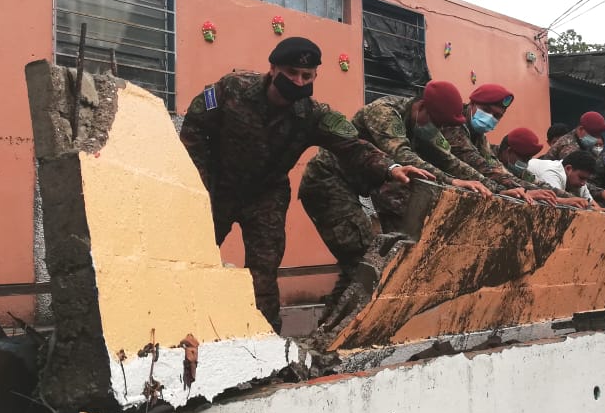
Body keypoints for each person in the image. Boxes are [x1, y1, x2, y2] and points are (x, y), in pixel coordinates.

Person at [179, 36, 432, 332]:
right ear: (273, 69)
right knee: (193, 256)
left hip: (266, 197)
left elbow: (353, 146)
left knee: (264, 273)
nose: (299, 82)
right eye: (291, 73)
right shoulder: (232, 88)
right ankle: (181, 326)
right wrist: (198, 181)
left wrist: (391, 167)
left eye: (307, 76)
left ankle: (266, 340)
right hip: (216, 190)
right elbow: (194, 126)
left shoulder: (313, 115)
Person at [299, 80, 493, 319]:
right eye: (436, 123)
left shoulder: (423, 124)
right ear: (421, 107)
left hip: (355, 189)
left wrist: (498, 188)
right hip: (327, 182)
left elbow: (451, 161)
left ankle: (332, 325)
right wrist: (451, 181)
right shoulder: (384, 112)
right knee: (365, 261)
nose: (437, 130)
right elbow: (401, 154)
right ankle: (337, 328)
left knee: (362, 263)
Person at [441, 84, 559, 204]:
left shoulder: (479, 136)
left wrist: (555, 195)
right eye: (486, 110)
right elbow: (479, 165)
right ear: (472, 104)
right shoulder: (454, 123)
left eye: (497, 116)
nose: (490, 117)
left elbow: (495, 168)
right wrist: (507, 190)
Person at [544, 111, 605, 208]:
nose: (596, 139)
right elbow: (576, 179)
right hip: (550, 186)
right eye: (593, 134)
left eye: (598, 135)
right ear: (580, 129)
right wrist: (602, 193)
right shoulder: (569, 147)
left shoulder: (582, 144)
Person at [496, 127, 592, 209]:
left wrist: (573, 198)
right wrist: (561, 200)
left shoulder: (520, 170)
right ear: (509, 151)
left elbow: (540, 185)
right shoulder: (491, 159)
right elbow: (512, 182)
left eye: (528, 159)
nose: (525, 164)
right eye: (523, 159)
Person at [527, 150, 604, 208]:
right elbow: (551, 201)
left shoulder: (578, 179)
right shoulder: (552, 173)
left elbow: (592, 204)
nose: (583, 183)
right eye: (581, 178)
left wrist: (599, 210)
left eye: (586, 179)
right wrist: (568, 201)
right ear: (568, 168)